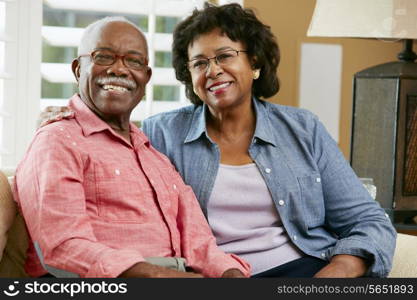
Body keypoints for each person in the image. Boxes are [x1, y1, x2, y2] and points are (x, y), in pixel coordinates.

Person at [38, 3, 397, 277]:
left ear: (254, 63)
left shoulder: (303, 129)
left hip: (308, 269)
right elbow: (104, 145)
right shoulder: (160, 133)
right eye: (199, 63)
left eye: (225, 56)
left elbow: (368, 220)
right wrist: (62, 118)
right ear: (188, 74)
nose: (213, 71)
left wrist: (338, 271)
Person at [13, 16, 250, 278]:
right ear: (79, 69)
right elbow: (62, 246)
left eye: (134, 61)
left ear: (146, 77)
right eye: (104, 57)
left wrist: (230, 274)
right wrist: (159, 277)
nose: (119, 70)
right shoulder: (57, 141)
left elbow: (199, 243)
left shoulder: (154, 154)